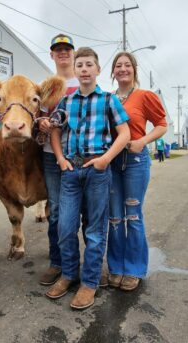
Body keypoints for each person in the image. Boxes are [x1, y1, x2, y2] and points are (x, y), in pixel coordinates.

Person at [47, 47, 130, 310]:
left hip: (97, 170)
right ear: (75, 69)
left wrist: (106, 159)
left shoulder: (108, 100)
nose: (84, 69)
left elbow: (125, 133)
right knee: (65, 227)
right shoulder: (66, 102)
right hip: (71, 170)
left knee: (95, 230)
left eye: (88, 65)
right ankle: (69, 274)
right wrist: (60, 159)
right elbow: (55, 130)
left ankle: (90, 282)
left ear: (97, 70)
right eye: (79, 65)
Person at [107, 52, 167, 291]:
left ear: (134, 69)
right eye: (118, 65)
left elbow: (162, 125)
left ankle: (133, 269)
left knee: (132, 215)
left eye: (127, 65)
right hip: (112, 162)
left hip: (135, 160)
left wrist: (144, 141)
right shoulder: (108, 98)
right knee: (113, 217)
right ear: (112, 72)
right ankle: (115, 267)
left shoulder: (145, 96)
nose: (122, 69)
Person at [38, 34, 80, 286]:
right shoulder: (46, 87)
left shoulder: (85, 80)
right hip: (50, 157)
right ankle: (57, 262)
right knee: (55, 212)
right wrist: (40, 122)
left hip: (79, 156)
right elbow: (37, 117)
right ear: (52, 55)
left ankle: (80, 262)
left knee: (82, 212)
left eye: (67, 49)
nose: (63, 53)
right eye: (58, 49)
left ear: (73, 53)